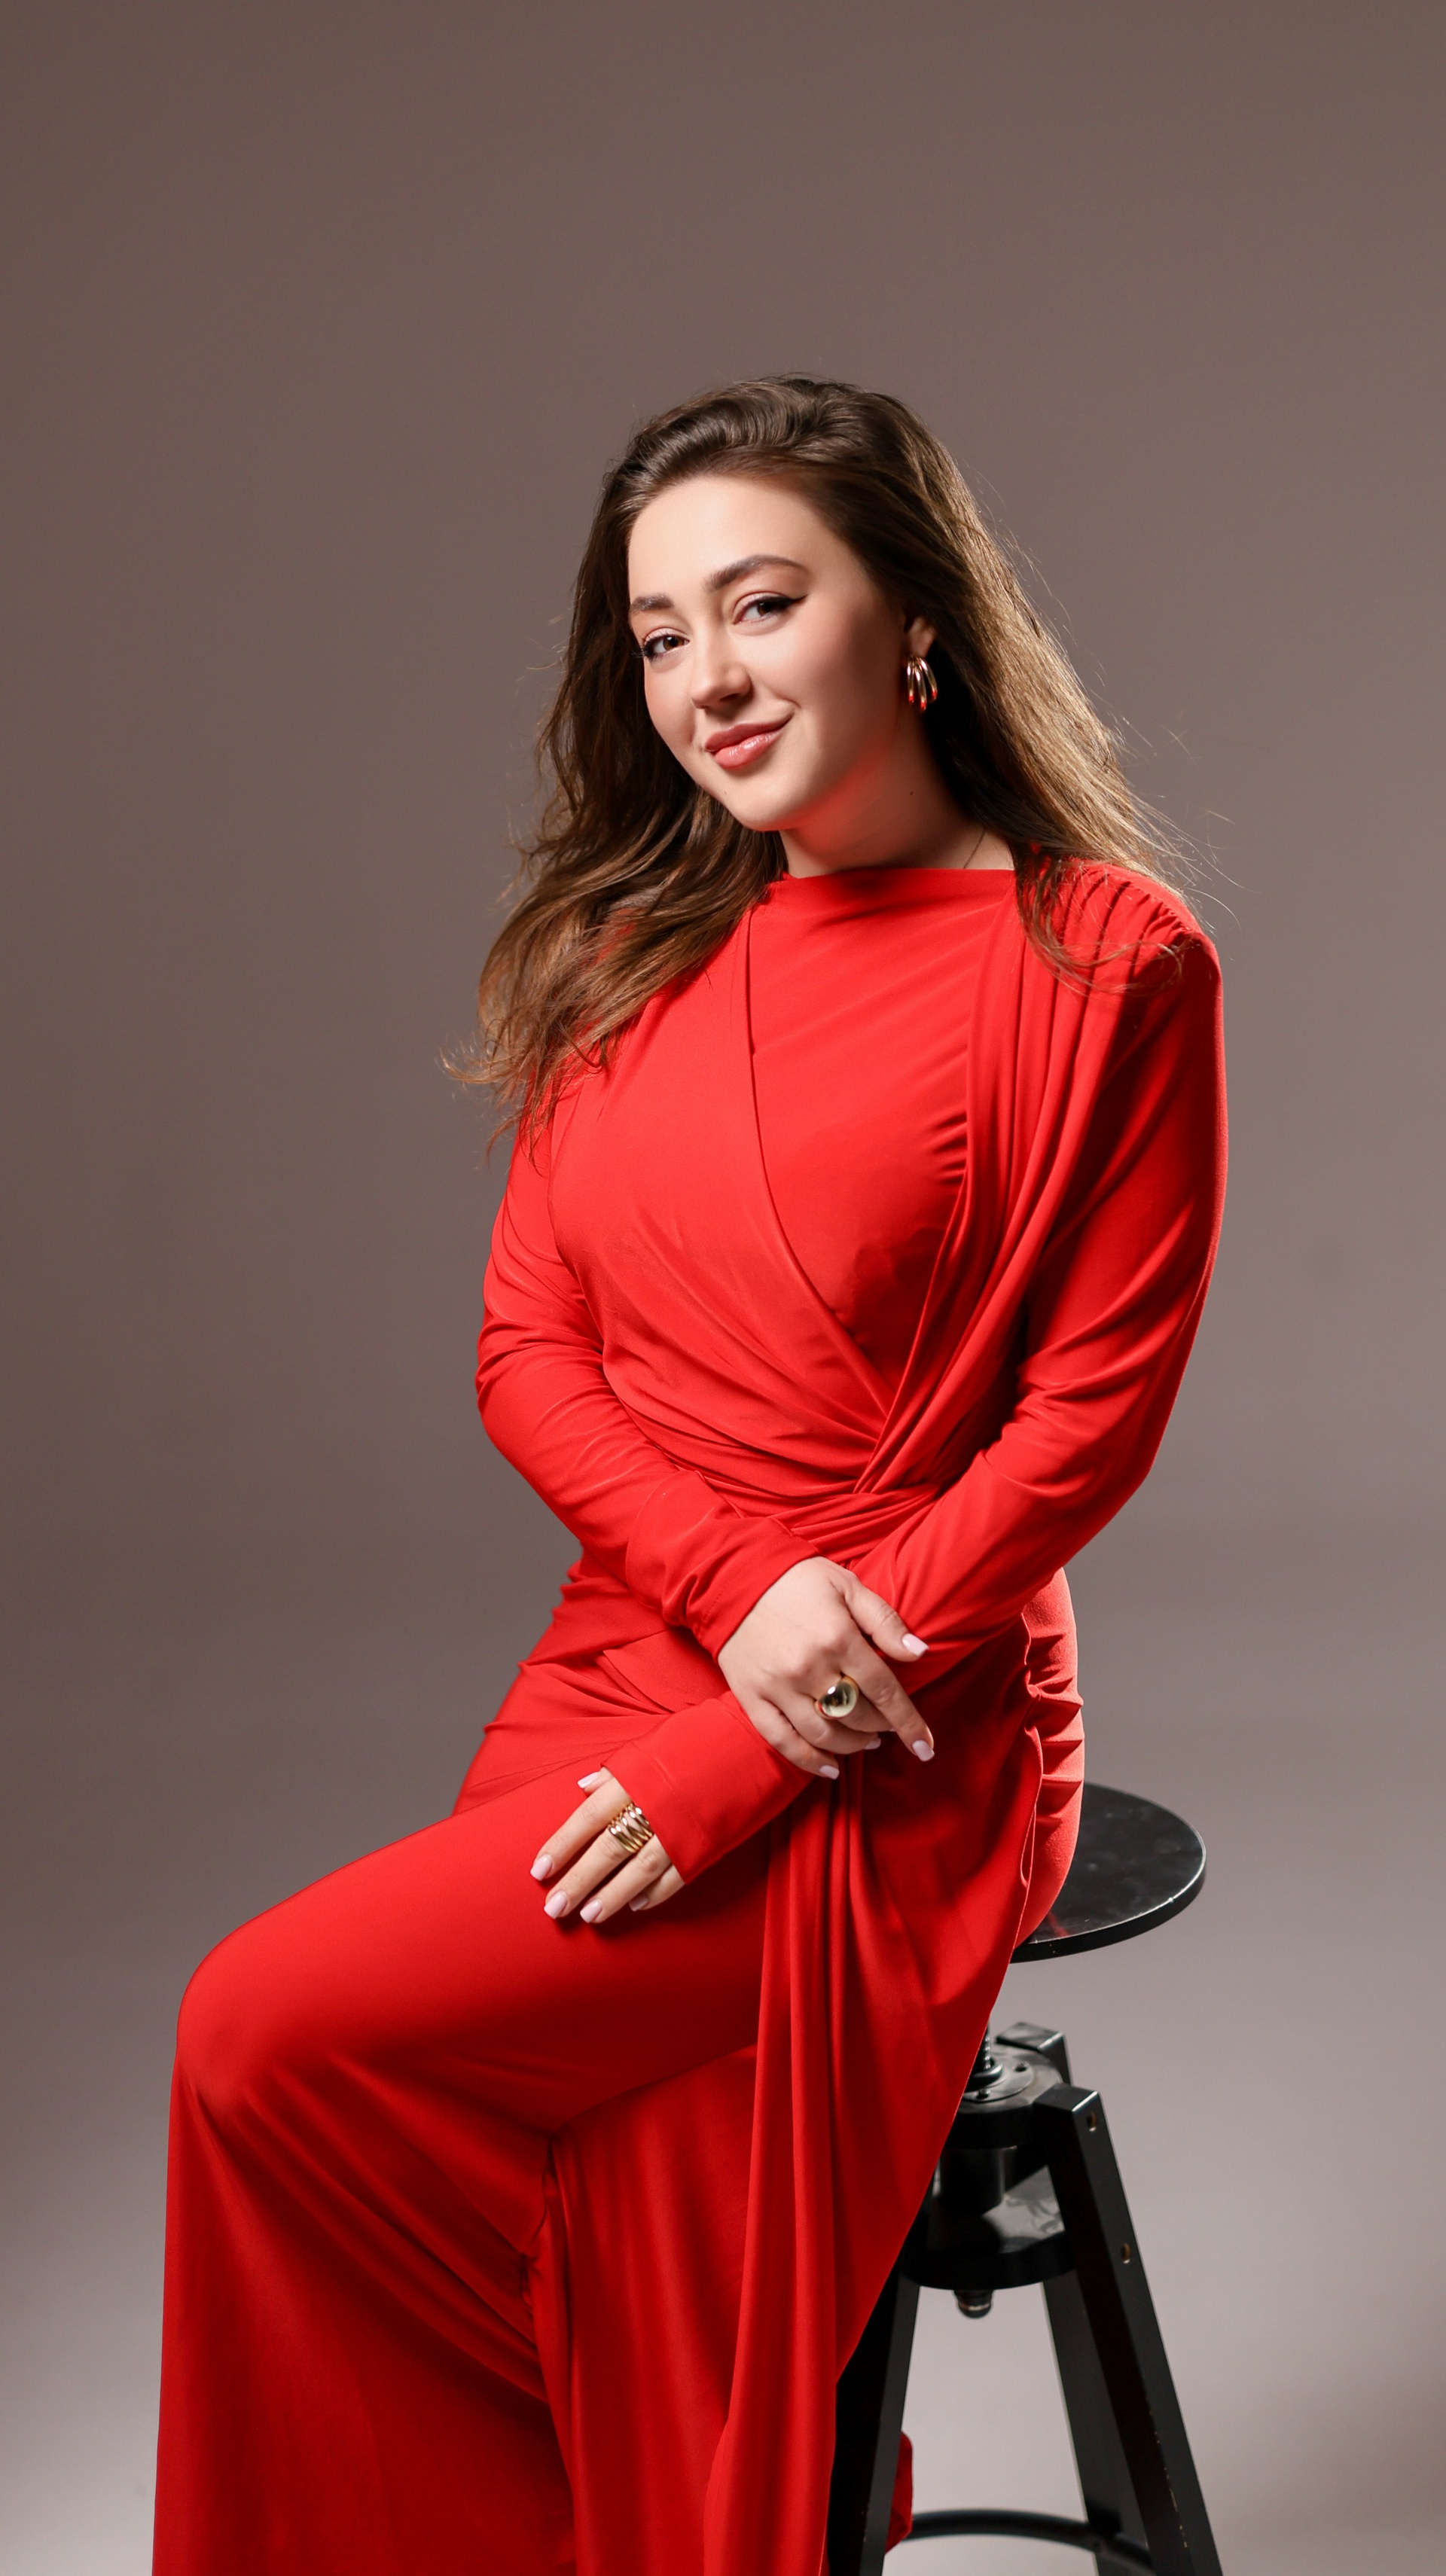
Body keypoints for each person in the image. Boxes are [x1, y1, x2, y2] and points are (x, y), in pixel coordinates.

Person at [151, 378, 1226, 2576]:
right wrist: (733, 1602)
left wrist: (760, 1737)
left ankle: (722, 2511)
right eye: (658, 636)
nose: (706, 678)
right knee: (372, 2093)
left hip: (908, 1719)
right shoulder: (628, 954)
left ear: (913, 619)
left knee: (253, 2027)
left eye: (759, 603)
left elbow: (1085, 1427)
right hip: (644, 1650)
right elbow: (526, 1354)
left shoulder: (1105, 963)